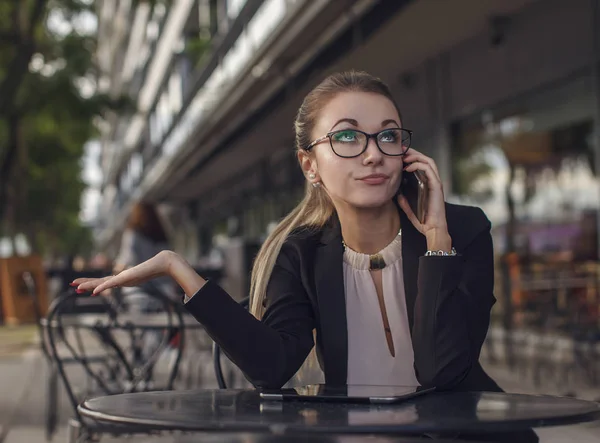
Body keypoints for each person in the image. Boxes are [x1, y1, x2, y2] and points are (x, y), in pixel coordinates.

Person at [73, 71, 536, 441]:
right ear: (309, 165)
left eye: (388, 136)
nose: (373, 155)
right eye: (348, 138)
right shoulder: (303, 252)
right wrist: (178, 268)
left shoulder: (465, 230)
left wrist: (437, 241)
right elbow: (272, 367)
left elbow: (444, 371)